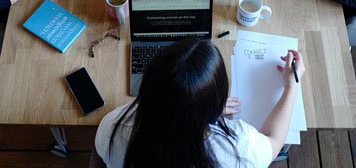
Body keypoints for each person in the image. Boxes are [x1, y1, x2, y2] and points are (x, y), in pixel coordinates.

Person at [95, 38, 305, 168]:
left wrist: (194, 106)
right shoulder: (240, 149)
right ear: (215, 111)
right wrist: (290, 87)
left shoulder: (113, 127)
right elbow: (274, 141)